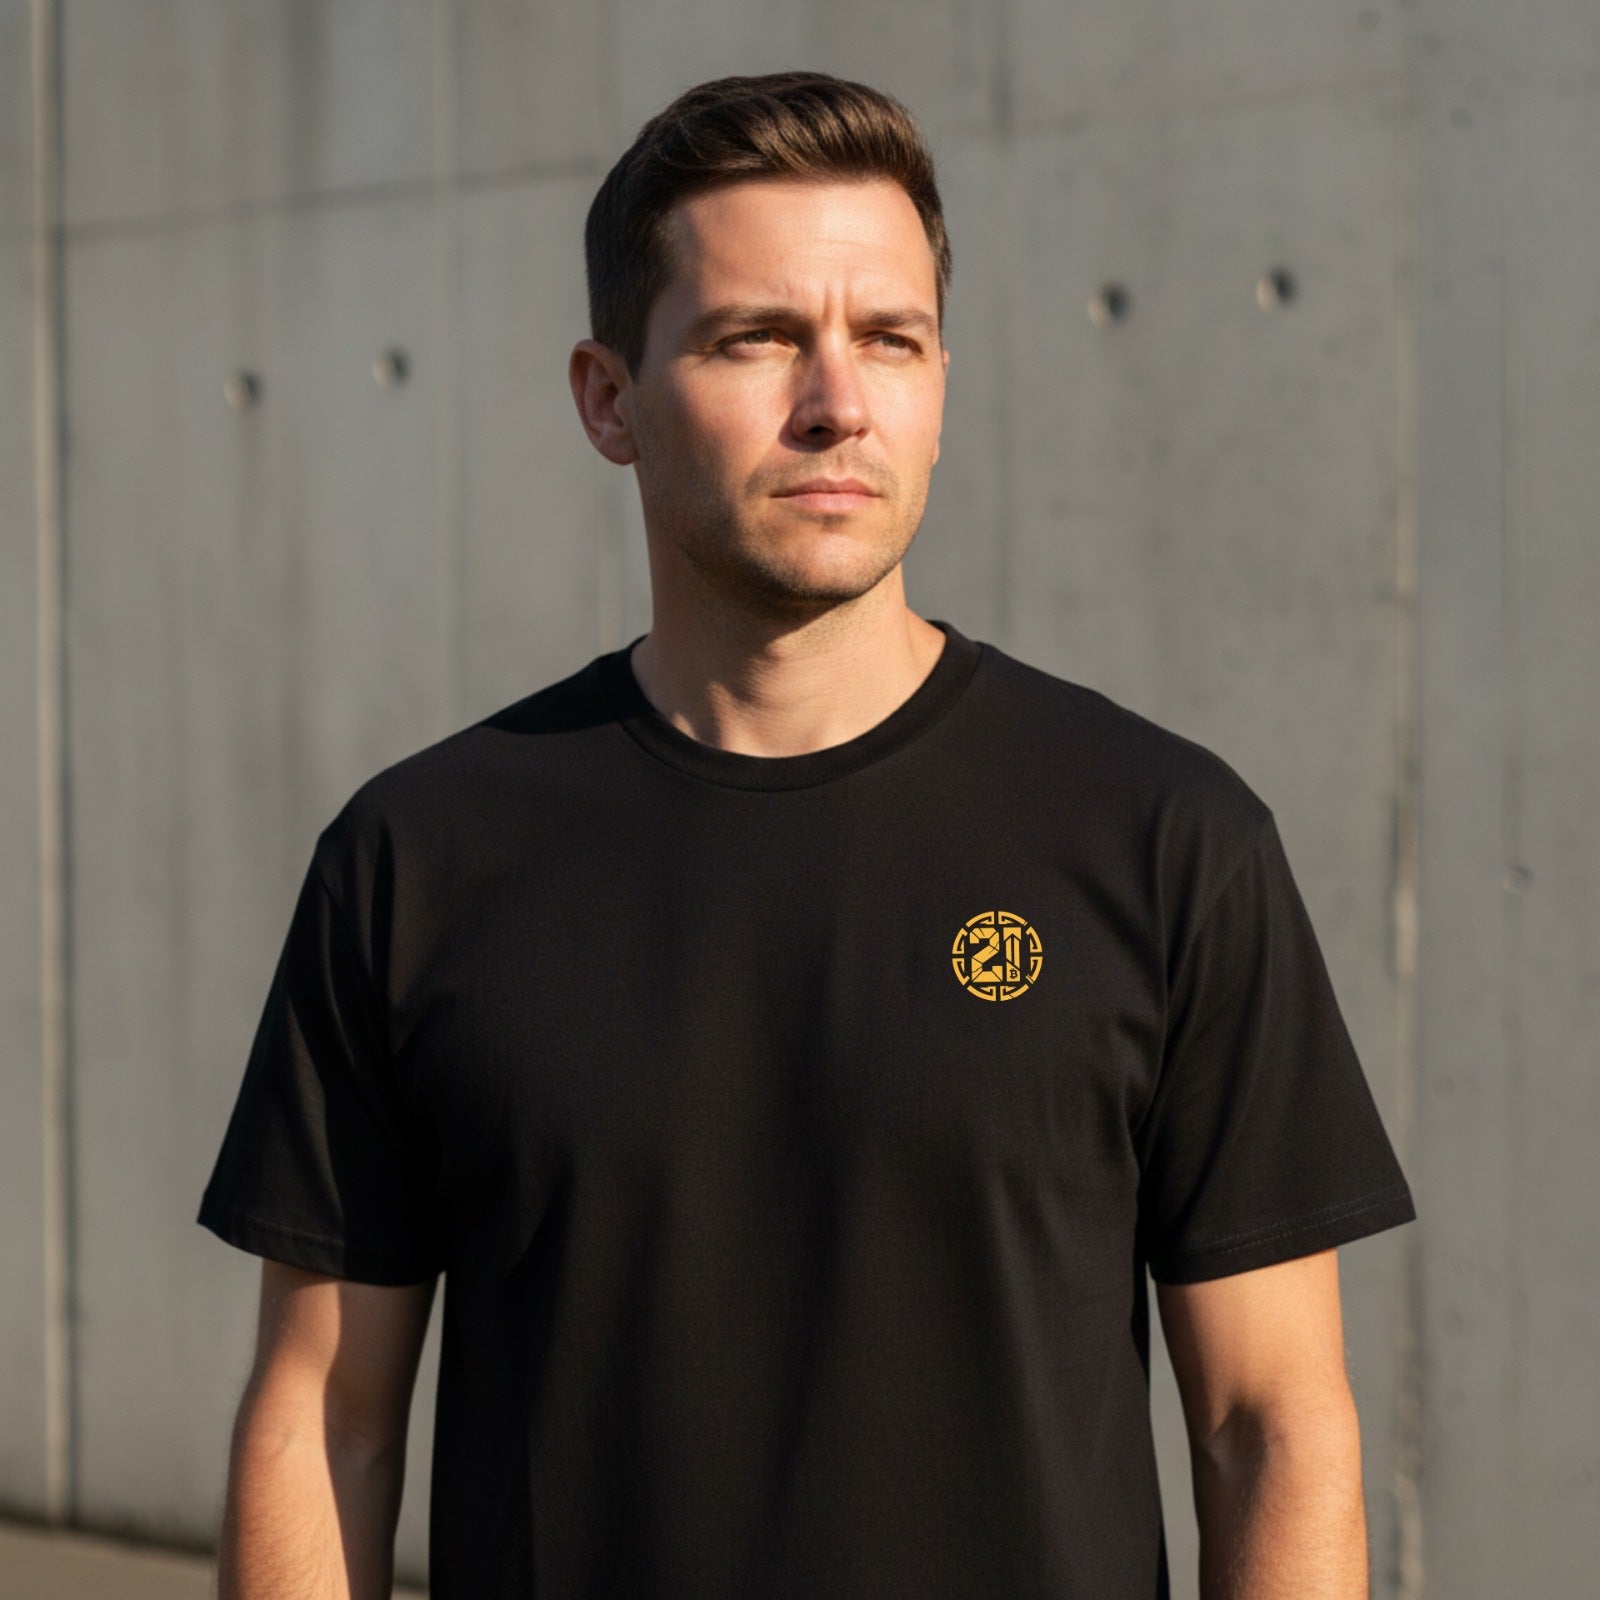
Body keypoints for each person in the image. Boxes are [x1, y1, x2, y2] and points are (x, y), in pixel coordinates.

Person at [198, 70, 1417, 1600]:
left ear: (939, 384)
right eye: (756, 337)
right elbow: (324, 1419)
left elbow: (1272, 1427)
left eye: (889, 339)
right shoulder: (422, 858)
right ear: (608, 399)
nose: (837, 401)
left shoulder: (1162, 841)